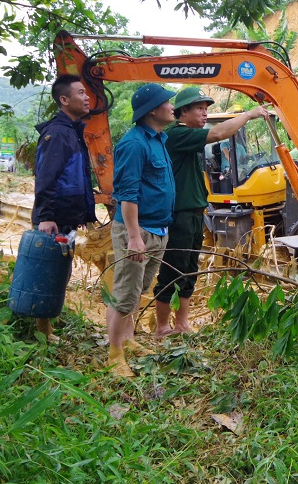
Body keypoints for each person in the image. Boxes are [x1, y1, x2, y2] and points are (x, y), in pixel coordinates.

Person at [154, 88, 268, 339]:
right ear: (182, 112)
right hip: (179, 213)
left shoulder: (190, 136)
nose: (205, 113)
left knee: (190, 269)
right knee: (173, 270)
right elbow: (218, 133)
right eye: (199, 108)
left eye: (206, 108)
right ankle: (162, 327)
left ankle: (181, 323)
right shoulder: (176, 134)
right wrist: (249, 114)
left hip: (195, 211)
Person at [105, 83, 176, 377]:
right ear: (152, 111)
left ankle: (129, 339)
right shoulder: (134, 144)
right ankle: (113, 355)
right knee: (124, 294)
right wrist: (134, 237)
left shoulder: (158, 139)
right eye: (167, 102)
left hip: (158, 229)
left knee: (137, 291)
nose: (173, 106)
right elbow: (127, 194)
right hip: (138, 231)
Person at [30, 74, 97, 341]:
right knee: (50, 271)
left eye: (86, 93)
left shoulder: (72, 131)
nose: (87, 97)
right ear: (64, 99)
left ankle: (46, 325)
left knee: (61, 270)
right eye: (81, 93)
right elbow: (46, 177)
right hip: (54, 219)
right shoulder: (58, 133)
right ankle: (42, 330)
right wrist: (45, 217)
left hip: (66, 218)